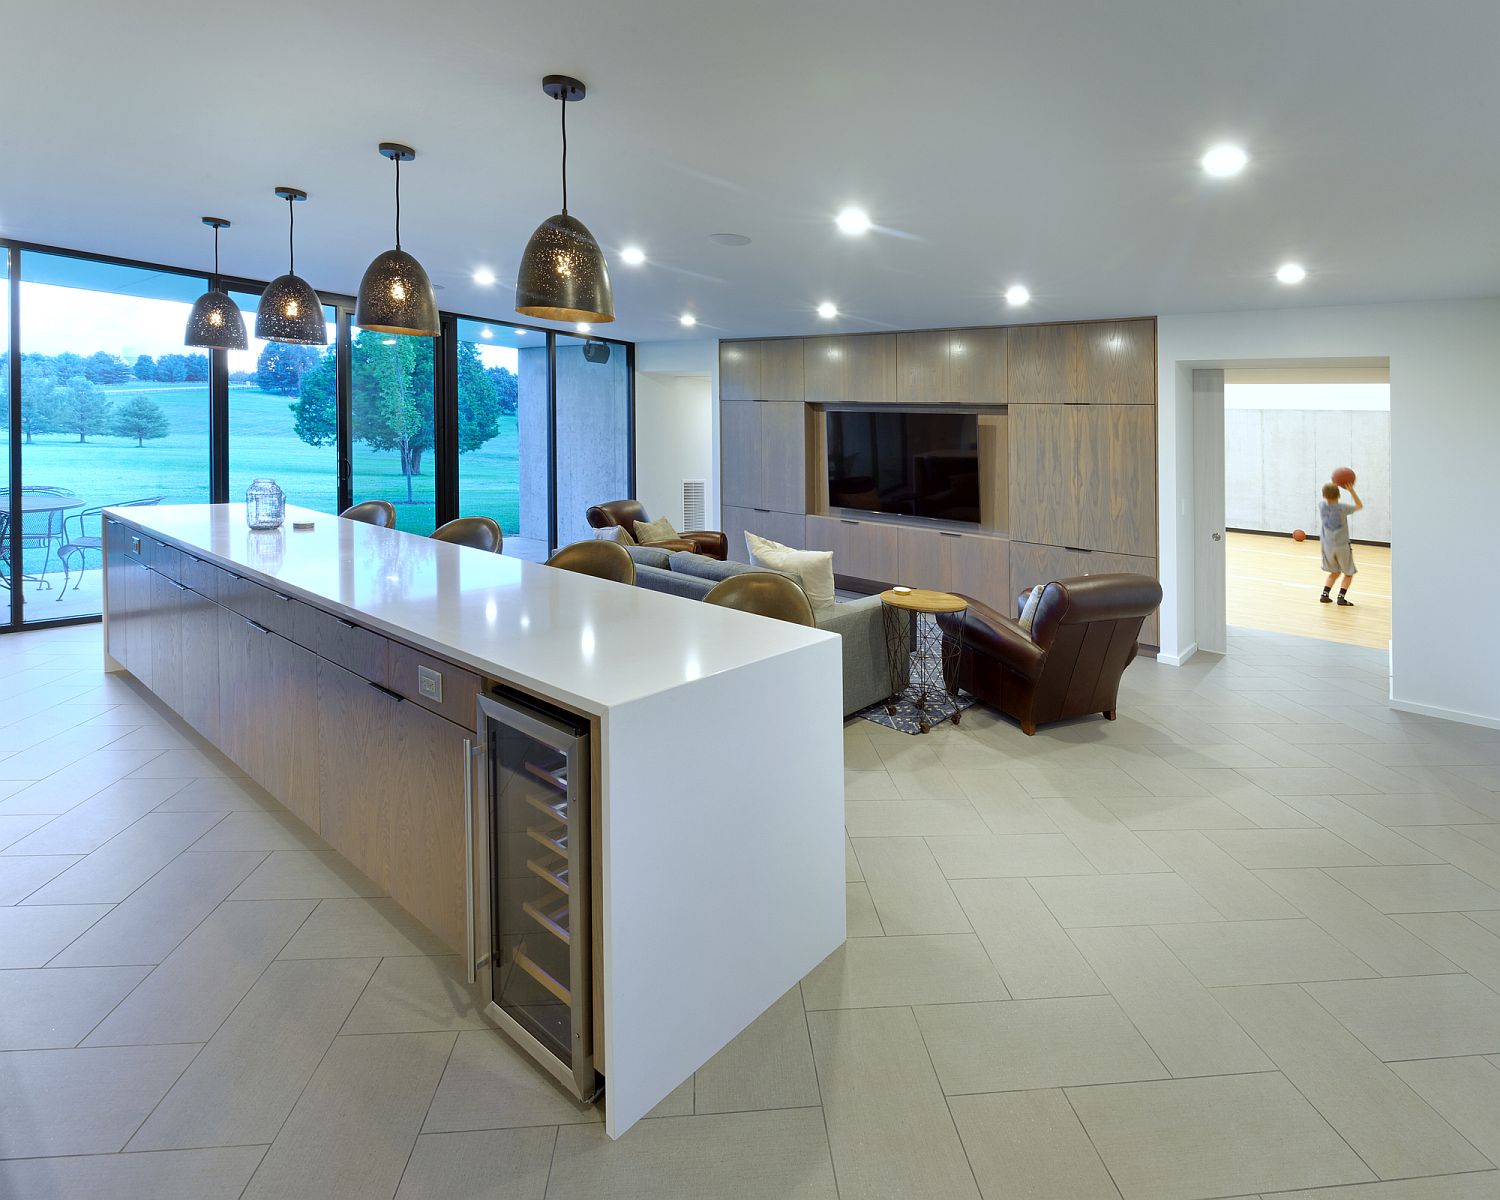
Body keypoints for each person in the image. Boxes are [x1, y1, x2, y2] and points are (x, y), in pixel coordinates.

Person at [1317, 480, 1363, 605]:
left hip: (1327, 546)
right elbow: (1360, 505)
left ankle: (1324, 595)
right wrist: (1351, 490)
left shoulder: (1321, 506)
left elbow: (1329, 495)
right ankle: (1341, 598)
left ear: (1323, 495)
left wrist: (1333, 484)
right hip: (1342, 546)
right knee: (1348, 573)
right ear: (1339, 495)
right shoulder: (1343, 508)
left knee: (1335, 572)